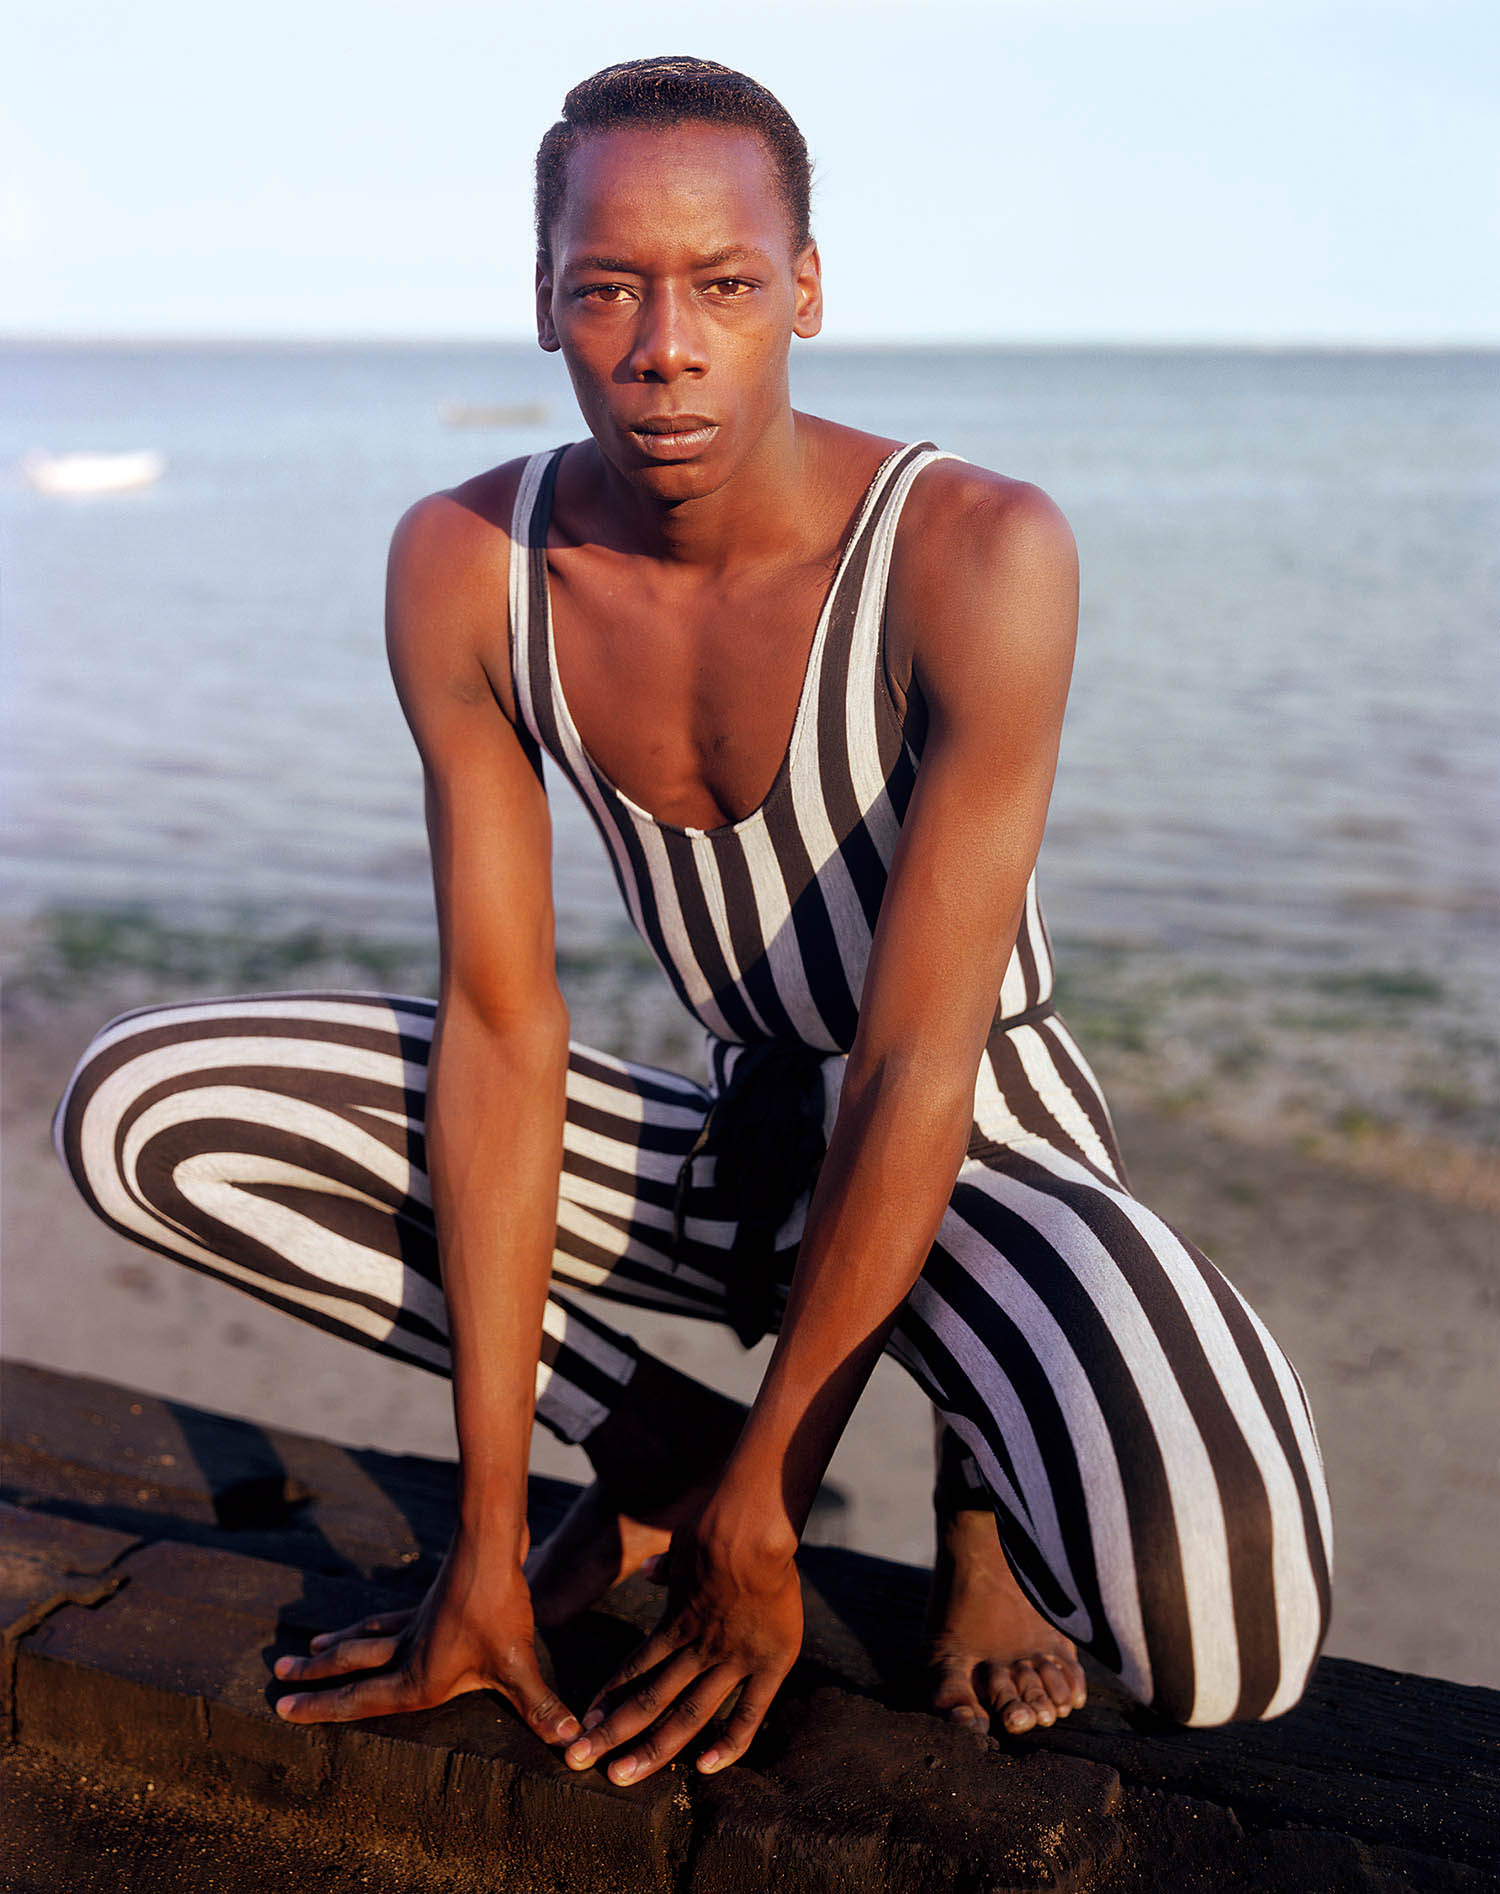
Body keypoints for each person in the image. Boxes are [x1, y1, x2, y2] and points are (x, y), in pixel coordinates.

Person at [53, 56, 1333, 1788]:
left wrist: (768, 1524)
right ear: (546, 305)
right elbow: (505, 1031)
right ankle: (658, 1445)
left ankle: (979, 1512)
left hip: (978, 1135)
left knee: (1225, 1644)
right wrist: (490, 1551)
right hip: (741, 1137)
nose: (665, 346)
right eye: (608, 289)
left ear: (803, 288)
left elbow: (910, 1066)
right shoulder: (467, 560)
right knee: (144, 1112)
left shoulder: (977, 551)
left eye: (725, 284)